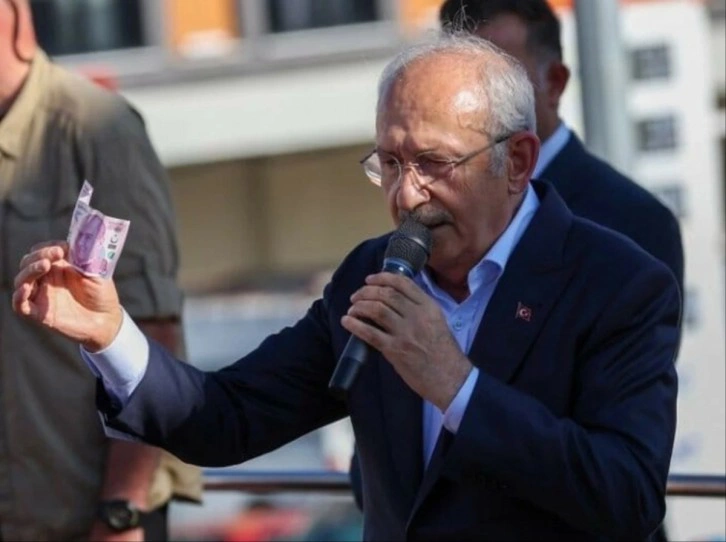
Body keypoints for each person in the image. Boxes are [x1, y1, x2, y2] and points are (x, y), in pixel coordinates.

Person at [13, 33, 681, 541]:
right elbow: (224, 417)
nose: (406, 195)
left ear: (517, 162)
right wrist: (109, 333)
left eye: (433, 163)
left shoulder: (619, 284)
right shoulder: (372, 273)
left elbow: (626, 496)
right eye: (388, 162)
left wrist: (457, 386)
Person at [0, 0, 201, 540]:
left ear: (18, 17)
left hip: (89, 515)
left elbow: (155, 331)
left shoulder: (98, 127)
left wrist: (121, 511)